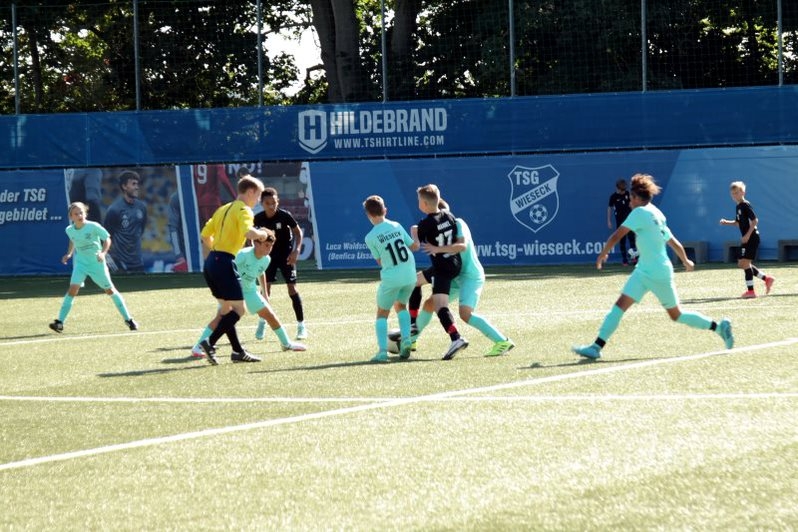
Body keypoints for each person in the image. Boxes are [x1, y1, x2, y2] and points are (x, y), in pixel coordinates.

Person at [572, 173, 734, 359]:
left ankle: (719, 328)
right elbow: (673, 241)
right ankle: (596, 347)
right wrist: (685, 260)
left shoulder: (639, 213)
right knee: (626, 307)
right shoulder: (657, 213)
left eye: (631, 198)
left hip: (656, 272)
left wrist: (603, 253)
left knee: (674, 314)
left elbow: (617, 235)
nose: (629, 202)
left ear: (637, 198)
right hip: (648, 271)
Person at [398, 200, 515, 358]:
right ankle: (412, 338)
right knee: (430, 303)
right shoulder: (442, 225)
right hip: (454, 274)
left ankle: (502, 341)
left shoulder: (458, 223)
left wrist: (434, 247)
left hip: (470, 276)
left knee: (465, 314)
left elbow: (462, 245)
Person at [191, 229, 306, 358]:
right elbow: (227, 268)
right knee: (220, 319)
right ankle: (198, 347)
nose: (269, 249)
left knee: (270, 315)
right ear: (255, 243)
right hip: (234, 292)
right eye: (266, 245)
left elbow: (261, 272)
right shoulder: (242, 255)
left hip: (251, 292)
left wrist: (265, 294)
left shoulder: (266, 259)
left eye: (271, 246)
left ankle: (286, 343)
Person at [198, 175, 271, 365]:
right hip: (224, 262)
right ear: (250, 192)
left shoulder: (223, 209)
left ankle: (237, 351)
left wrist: (216, 251)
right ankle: (209, 342)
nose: (258, 201)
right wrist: (262, 234)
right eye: (258, 196)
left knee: (227, 309)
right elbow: (249, 233)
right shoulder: (244, 210)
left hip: (212, 262)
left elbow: (205, 235)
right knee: (239, 309)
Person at [49, 202, 138, 333]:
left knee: (110, 290)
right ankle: (59, 323)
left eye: (81, 213)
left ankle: (129, 319)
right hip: (81, 265)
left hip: (97, 264)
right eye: (76, 214)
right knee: (72, 289)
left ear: (85, 213)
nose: (79, 215)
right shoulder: (69, 230)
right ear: (71, 217)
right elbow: (73, 239)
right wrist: (69, 254)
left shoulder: (93, 226)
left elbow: (107, 239)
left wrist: (103, 253)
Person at [413, 184, 468, 360]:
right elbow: (459, 244)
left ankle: (456, 338)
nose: (418, 203)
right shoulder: (449, 216)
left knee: (440, 306)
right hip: (453, 263)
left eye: (419, 200)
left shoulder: (425, 224)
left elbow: (415, 245)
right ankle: (413, 325)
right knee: (415, 281)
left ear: (424, 204)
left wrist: (414, 233)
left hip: (442, 269)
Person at [363, 195, 419, 362]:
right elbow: (413, 246)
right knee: (401, 305)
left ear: (368, 215)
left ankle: (382, 352)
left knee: (382, 313)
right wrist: (415, 235)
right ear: (385, 210)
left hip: (392, 277)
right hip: (410, 275)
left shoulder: (370, 237)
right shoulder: (396, 225)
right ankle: (406, 340)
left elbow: (381, 261)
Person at [252, 184, 308, 340]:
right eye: (267, 203)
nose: (271, 206)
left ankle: (301, 326)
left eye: (274, 202)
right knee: (265, 291)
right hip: (267, 258)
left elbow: (298, 232)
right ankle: (262, 323)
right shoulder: (258, 219)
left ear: (278, 202)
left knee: (292, 289)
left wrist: (296, 251)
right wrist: (255, 253)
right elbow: (251, 237)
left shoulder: (284, 216)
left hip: (286, 257)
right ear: (262, 203)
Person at [719, 181, 775, 299]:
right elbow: (738, 223)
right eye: (733, 194)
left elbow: (755, 220)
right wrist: (726, 222)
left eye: (737, 193)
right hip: (748, 238)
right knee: (742, 263)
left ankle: (751, 291)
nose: (734, 195)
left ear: (743, 192)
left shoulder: (745, 204)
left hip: (752, 237)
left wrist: (748, 235)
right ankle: (767, 279)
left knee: (744, 263)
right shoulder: (738, 207)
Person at [104, 169, 147, 273]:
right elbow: (105, 237)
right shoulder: (114, 209)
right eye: (133, 184)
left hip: (138, 262)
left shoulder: (141, 207)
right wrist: (112, 262)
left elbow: (141, 230)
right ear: (124, 186)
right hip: (121, 264)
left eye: (137, 184)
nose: (137, 187)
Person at [607, 178, 637, 265]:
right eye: (621, 190)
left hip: (629, 222)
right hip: (620, 222)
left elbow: (633, 205)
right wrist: (609, 221)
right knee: (622, 240)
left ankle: (634, 258)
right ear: (617, 188)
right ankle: (624, 260)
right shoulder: (613, 197)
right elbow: (609, 208)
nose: (623, 191)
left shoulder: (628, 194)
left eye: (624, 189)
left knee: (632, 239)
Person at [167, 191, 188, 272]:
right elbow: (173, 228)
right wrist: (178, 255)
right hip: (186, 253)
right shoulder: (177, 198)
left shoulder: (210, 194)